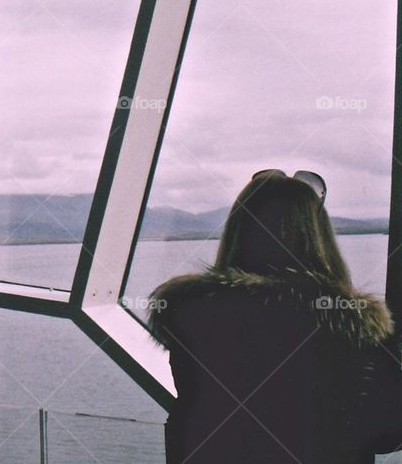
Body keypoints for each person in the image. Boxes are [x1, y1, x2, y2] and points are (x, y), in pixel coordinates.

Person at [148, 169, 402, 463]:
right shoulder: (348, 326)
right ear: (318, 238)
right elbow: (388, 431)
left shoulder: (193, 316)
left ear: (237, 233)